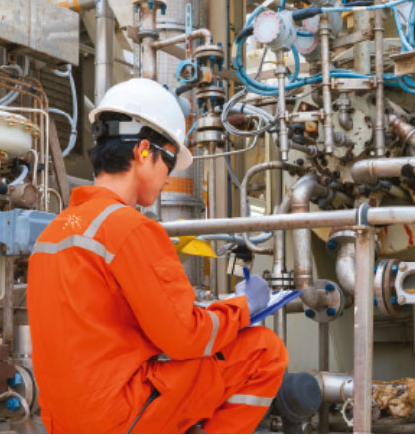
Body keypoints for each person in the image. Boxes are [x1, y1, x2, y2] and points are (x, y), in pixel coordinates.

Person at [27, 78, 286, 434]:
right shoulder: (129, 228)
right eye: (169, 164)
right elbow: (184, 338)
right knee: (264, 351)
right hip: (118, 417)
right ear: (144, 151)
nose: (168, 179)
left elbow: (104, 326)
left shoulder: (55, 230)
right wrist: (243, 308)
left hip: (65, 421)